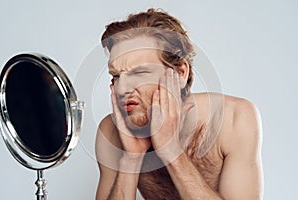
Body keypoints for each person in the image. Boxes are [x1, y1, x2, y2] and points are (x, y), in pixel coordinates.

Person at [95, 8, 263, 200]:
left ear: (180, 73)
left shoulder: (234, 119)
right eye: (116, 76)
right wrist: (131, 160)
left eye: (138, 74)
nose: (121, 88)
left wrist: (171, 152)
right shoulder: (110, 131)